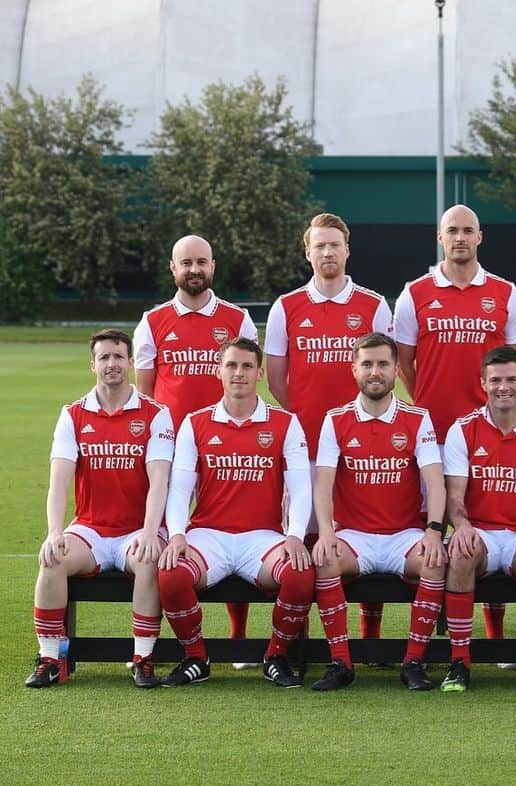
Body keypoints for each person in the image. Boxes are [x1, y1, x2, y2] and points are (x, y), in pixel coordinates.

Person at [394, 204, 516, 645]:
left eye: (467, 230)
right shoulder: (414, 292)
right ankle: (428, 627)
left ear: (480, 237)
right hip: (430, 433)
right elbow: (405, 365)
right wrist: (429, 405)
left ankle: (492, 634)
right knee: (427, 526)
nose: (460, 238)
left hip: (489, 432)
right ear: (439, 237)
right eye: (452, 231)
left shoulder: (506, 292)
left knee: (487, 527)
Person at [265, 212, 393, 644]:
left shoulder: (374, 305)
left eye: (334, 244)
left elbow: (384, 371)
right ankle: (295, 634)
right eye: (319, 245)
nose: (327, 252)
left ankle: (370, 638)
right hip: (305, 446)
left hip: (362, 445)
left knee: (365, 533)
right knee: (304, 536)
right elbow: (278, 378)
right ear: (307, 252)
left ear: (347, 249)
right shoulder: (287, 306)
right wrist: (305, 421)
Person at [157, 338, 314, 688]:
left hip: (262, 537)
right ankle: (196, 657)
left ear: (259, 372)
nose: (238, 373)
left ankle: (275, 656)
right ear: (219, 371)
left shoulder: (285, 423)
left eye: (246, 366)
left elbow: (301, 488)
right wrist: (177, 534)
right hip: (208, 535)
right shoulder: (195, 423)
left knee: (301, 573)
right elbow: (180, 487)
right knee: (170, 573)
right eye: (231, 365)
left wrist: (295, 536)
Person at [26, 330, 174, 688]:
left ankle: (143, 658)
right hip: (90, 530)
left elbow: (159, 482)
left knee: (149, 561)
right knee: (53, 559)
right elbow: (59, 481)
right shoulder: (73, 415)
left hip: (138, 528)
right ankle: (50, 659)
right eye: (104, 357)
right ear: (93, 364)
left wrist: (152, 533)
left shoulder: (157, 414)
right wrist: (54, 532)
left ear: (131, 363)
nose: (112, 364)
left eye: (119, 357)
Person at [134, 234, 259, 655]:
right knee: (174, 536)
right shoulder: (152, 322)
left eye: (201, 262)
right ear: (173, 268)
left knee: (232, 532)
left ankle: (237, 633)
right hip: (173, 449)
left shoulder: (237, 318)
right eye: (185, 262)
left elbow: (248, 379)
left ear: (213, 266)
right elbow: (147, 397)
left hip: (229, 443)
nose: (194, 269)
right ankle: (178, 636)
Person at [310, 332, 448, 691]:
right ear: (354, 369)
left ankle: (413, 661)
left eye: (383, 364)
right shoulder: (335, 419)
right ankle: (341, 661)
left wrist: (434, 532)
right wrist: (326, 532)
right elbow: (322, 483)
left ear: (396, 369)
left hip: (403, 535)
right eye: (367, 364)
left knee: (434, 560)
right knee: (325, 559)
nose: (375, 371)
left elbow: (435, 481)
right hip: (354, 536)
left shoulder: (417, 418)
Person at [440, 347, 516, 693]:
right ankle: (459, 662)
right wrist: (462, 527)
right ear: (483, 383)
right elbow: (454, 498)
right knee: (461, 551)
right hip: (479, 532)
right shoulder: (462, 430)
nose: (503, 387)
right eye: (495, 380)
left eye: (511, 379)